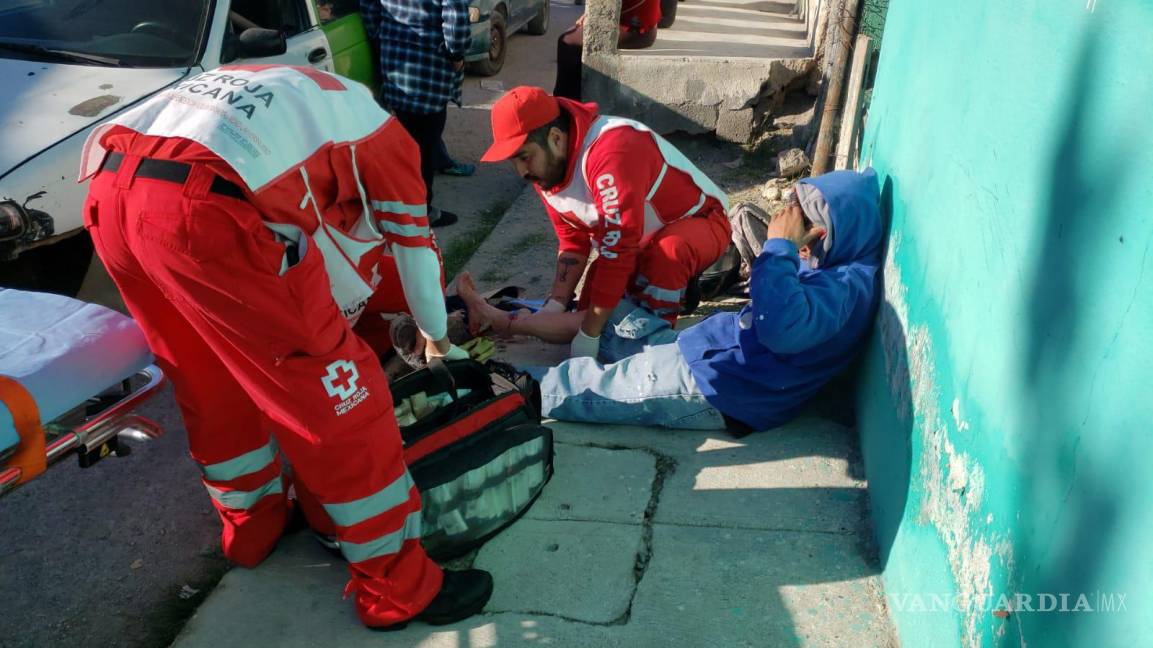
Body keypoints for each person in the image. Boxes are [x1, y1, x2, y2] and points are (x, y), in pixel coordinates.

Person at [78, 65, 491, 629]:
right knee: (345, 397)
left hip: (113, 192)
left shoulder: (304, 105)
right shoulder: (388, 142)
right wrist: (441, 344)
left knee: (210, 381)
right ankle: (398, 589)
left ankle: (253, 528)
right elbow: (415, 253)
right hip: (206, 214)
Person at [526, 169, 883, 433]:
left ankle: (501, 387)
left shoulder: (844, 291)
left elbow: (781, 330)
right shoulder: (839, 264)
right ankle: (513, 318)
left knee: (596, 388)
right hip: (713, 349)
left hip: (723, 387)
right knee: (613, 319)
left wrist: (780, 249)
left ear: (826, 232)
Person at [478, 86, 732, 358]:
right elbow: (572, 241)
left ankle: (658, 348)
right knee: (590, 305)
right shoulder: (548, 167)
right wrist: (556, 305)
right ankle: (661, 303)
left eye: (525, 157)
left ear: (555, 138)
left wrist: (590, 332)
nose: (521, 171)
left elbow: (618, 249)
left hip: (702, 221)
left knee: (663, 258)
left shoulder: (611, 151)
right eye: (513, 161)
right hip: (640, 239)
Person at [360, 0, 471, 227]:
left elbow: (369, 10)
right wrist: (456, 54)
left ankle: (398, 209)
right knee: (424, 149)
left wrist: (385, 38)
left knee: (404, 144)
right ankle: (421, 212)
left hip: (395, 64)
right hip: (430, 70)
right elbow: (456, 17)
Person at [554, 0, 661, 100]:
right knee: (573, 36)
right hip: (637, 23)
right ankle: (570, 101)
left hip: (636, 27)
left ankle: (567, 106)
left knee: (568, 41)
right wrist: (590, 15)